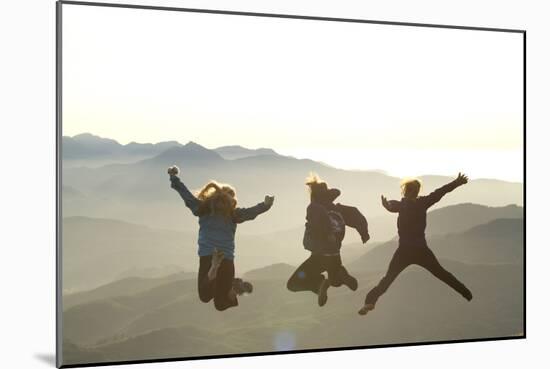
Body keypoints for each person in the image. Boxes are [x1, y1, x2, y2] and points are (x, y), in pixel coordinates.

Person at [358, 173, 473, 316]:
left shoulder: (402, 205)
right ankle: (466, 293)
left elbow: (392, 206)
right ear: (417, 191)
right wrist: (457, 182)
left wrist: (386, 206)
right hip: (420, 250)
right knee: (441, 274)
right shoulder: (421, 203)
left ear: (405, 191)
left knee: (387, 279)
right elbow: (440, 192)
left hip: (404, 251)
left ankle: (369, 302)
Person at [167, 165, 275, 311]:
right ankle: (231, 289)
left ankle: (213, 270)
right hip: (227, 258)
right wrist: (266, 205)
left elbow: (186, 195)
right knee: (221, 304)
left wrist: (174, 178)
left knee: (205, 296)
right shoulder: (233, 214)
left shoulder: (203, 208)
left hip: (207, 256)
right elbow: (251, 212)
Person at [287, 174, 370, 306]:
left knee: (293, 284)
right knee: (335, 281)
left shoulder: (314, 208)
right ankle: (340, 275)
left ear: (313, 195)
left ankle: (319, 284)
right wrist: (364, 232)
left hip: (319, 256)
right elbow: (355, 213)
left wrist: (327, 233)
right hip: (335, 255)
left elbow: (321, 217)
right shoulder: (338, 209)